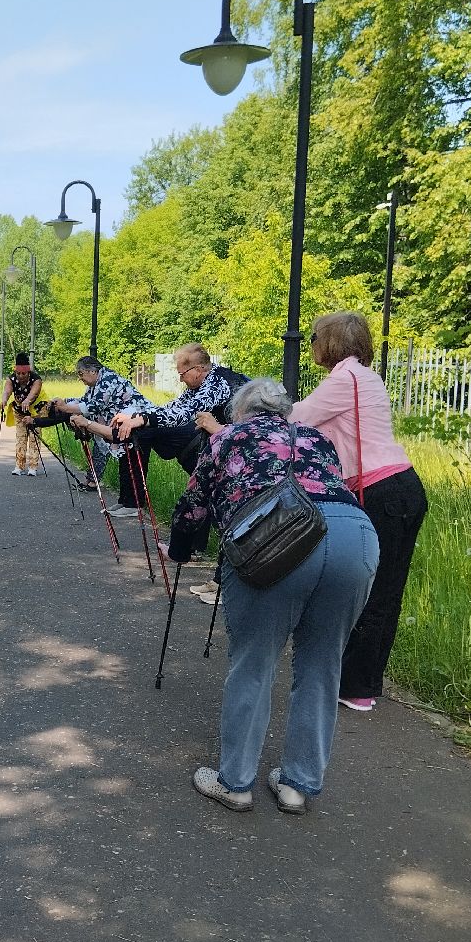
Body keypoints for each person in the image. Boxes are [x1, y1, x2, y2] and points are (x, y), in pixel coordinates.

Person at [169, 379, 379, 815]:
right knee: (323, 663)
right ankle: (297, 786)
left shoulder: (226, 437)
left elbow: (193, 508)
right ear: (284, 412)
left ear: (240, 413)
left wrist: (180, 550)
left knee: (254, 661)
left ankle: (236, 783)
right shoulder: (316, 437)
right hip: (353, 537)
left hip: (273, 538)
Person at [289, 312, 429, 712]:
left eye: (314, 337)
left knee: (371, 590)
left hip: (381, 490)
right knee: (387, 589)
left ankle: (356, 687)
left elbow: (298, 418)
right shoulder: (365, 376)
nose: (311, 343)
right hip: (401, 487)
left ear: (328, 342)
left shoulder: (343, 381)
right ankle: (364, 681)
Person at [112, 344, 249, 603]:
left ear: (198, 369)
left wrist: (141, 419)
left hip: (243, 453)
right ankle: (220, 580)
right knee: (220, 510)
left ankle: (226, 584)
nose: (181, 379)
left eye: (182, 373)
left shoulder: (217, 383)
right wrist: (138, 415)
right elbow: (173, 407)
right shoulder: (202, 384)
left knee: (229, 514)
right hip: (230, 449)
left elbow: (183, 414)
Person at [46, 356, 151, 518]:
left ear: (92, 371)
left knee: (133, 465)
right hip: (124, 424)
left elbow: (93, 406)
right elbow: (85, 400)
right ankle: (125, 501)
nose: (80, 378)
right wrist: (64, 401)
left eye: (81, 374)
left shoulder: (108, 380)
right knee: (124, 462)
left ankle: (134, 505)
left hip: (139, 423)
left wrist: (65, 408)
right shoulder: (97, 383)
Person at [0, 353, 43, 476]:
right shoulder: (11, 379)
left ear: (28, 372)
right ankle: (19, 466)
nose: (20, 376)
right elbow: (7, 391)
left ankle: (33, 467)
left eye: (23, 374)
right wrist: (4, 401)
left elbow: (34, 393)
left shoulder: (36, 379)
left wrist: (27, 400)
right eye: (18, 373)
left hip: (36, 412)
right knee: (20, 437)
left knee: (34, 438)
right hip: (19, 411)